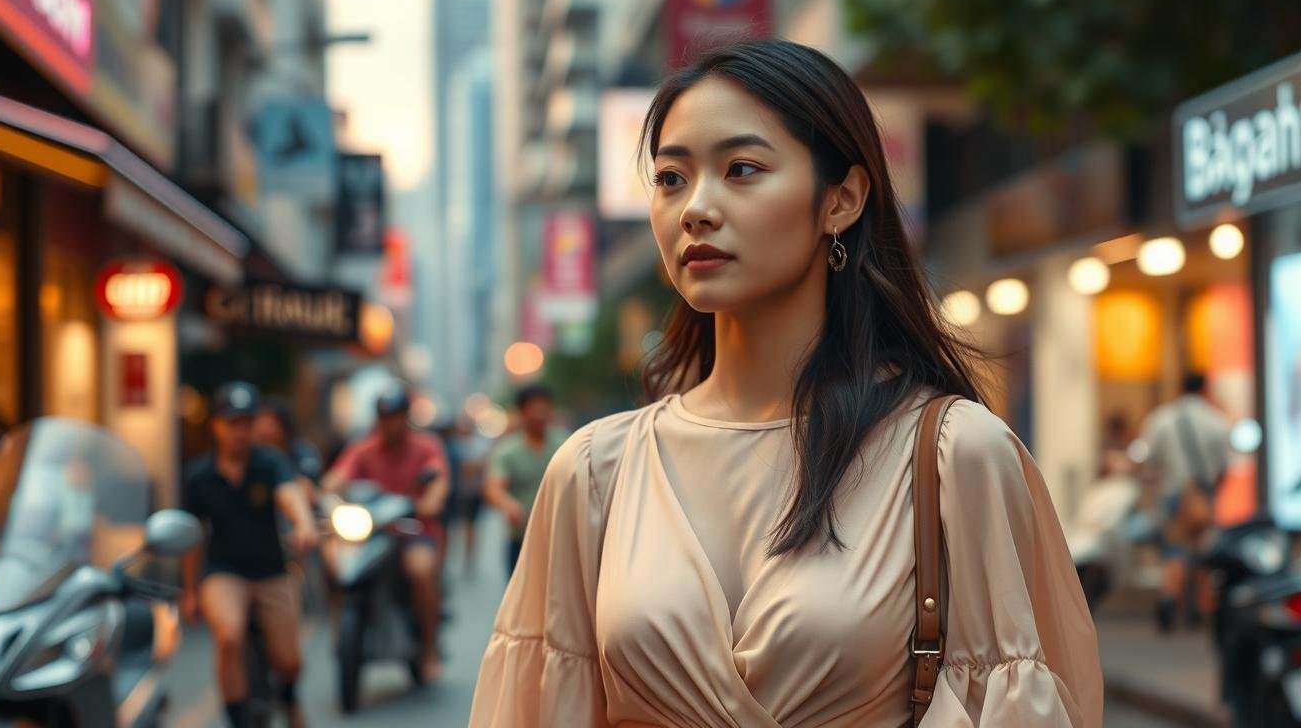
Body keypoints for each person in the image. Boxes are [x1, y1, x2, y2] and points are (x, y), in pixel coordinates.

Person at [470, 39, 1101, 727]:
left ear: (842, 200)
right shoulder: (593, 475)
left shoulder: (955, 457)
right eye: (671, 178)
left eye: (742, 169)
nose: (695, 209)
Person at [181, 382, 319, 728]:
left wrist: (303, 524)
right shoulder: (199, 477)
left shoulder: (269, 461)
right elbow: (192, 536)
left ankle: (288, 695)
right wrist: (190, 591)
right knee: (229, 635)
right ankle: (238, 718)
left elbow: (289, 493)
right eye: (232, 422)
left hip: (271, 570)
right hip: (223, 571)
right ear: (216, 424)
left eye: (246, 422)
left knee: (288, 661)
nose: (240, 431)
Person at [322, 382, 450, 683]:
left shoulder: (427, 446)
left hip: (413, 532)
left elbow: (439, 481)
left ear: (406, 416)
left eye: (395, 415)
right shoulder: (362, 448)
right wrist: (325, 494)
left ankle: (429, 647)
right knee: (330, 560)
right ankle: (338, 626)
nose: (388, 422)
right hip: (371, 534)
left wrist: (431, 501)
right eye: (383, 415)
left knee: (420, 571)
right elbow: (335, 480)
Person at [1138, 372, 1231, 633]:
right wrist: (1209, 491)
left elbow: (1149, 461)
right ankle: (1201, 610)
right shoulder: (1217, 421)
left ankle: (1169, 599)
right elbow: (1225, 465)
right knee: (1205, 551)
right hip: (1203, 495)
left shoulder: (1161, 419)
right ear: (1205, 389)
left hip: (1172, 494)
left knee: (1174, 551)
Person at [482, 385, 566, 575]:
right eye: (533, 410)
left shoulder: (565, 443)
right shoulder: (508, 450)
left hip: (561, 539)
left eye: (543, 409)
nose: (539, 415)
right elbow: (493, 487)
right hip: (522, 540)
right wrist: (508, 504)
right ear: (521, 412)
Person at [442, 415, 490, 574]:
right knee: (450, 528)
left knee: (470, 527)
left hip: (472, 493)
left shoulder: (477, 445)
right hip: (455, 493)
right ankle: (448, 560)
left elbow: (482, 466)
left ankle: (468, 559)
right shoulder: (453, 445)